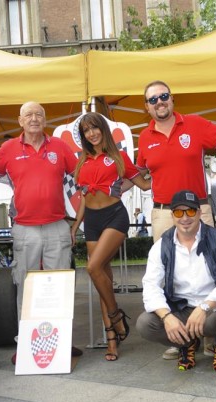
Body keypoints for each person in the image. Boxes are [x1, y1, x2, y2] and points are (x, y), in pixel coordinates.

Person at [137, 80, 216, 361]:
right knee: (168, 275)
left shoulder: (194, 124)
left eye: (163, 96)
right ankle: (180, 336)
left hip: (198, 208)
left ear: (172, 99)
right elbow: (140, 174)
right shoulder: (144, 137)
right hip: (163, 212)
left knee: (210, 270)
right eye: (153, 99)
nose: (159, 102)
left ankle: (211, 341)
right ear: (147, 107)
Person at [0, 102, 83, 359]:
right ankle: (25, 345)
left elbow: (82, 178)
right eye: (28, 115)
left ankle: (61, 341)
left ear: (45, 119)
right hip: (25, 229)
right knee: (26, 287)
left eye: (39, 114)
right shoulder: (8, 148)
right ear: (20, 121)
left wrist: (77, 222)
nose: (34, 119)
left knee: (60, 287)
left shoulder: (60, 147)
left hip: (57, 226)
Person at [136, 190, 216, 373]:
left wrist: (204, 308)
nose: (185, 217)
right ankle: (186, 343)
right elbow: (150, 285)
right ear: (172, 216)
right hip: (181, 311)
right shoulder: (161, 246)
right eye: (179, 212)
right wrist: (167, 317)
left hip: (213, 311)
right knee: (145, 323)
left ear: (199, 213)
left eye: (190, 211)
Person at [71, 112, 151, 361]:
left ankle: (116, 316)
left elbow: (144, 184)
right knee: (102, 277)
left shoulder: (119, 157)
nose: (91, 133)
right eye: (86, 130)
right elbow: (84, 198)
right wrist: (76, 226)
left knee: (93, 268)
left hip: (115, 216)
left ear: (103, 130)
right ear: (83, 136)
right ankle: (112, 341)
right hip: (92, 222)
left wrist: (158, 165)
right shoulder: (81, 161)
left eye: (95, 128)